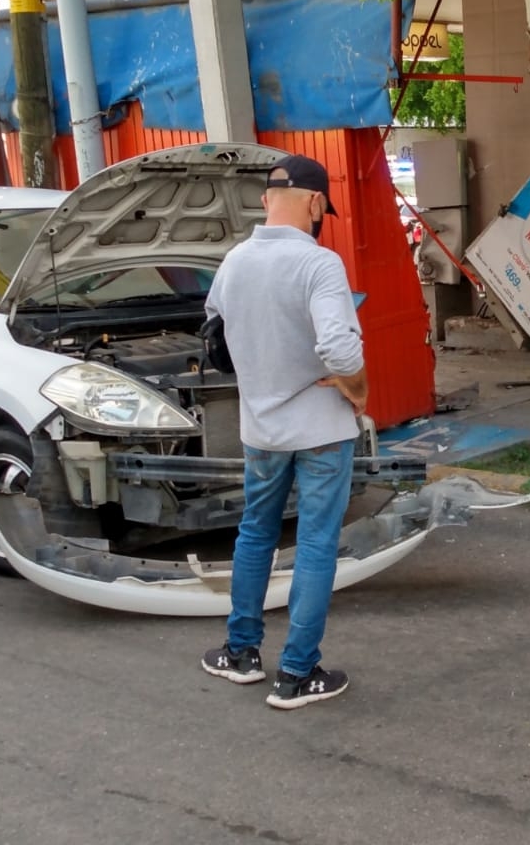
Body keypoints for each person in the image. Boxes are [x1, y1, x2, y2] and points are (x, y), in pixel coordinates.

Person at [200, 154, 368, 710]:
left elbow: (216, 340)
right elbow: (340, 347)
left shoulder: (233, 262)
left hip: (261, 430)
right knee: (316, 543)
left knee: (256, 534)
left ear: (267, 199)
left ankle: (240, 653)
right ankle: (297, 674)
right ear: (316, 203)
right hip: (321, 428)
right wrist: (358, 391)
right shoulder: (320, 265)